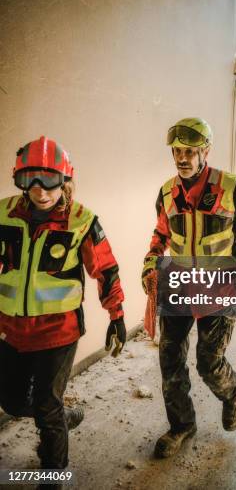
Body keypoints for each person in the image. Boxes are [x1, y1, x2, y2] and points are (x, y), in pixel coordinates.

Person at [142, 117, 236, 458]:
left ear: (206, 151)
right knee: (170, 362)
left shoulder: (232, 189)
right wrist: (150, 262)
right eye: (178, 151)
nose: (183, 158)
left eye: (190, 151)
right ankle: (182, 426)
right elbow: (161, 234)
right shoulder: (166, 192)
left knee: (208, 363)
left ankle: (231, 392)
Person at [0, 136, 126, 480]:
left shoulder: (81, 220)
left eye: (50, 180)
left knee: (45, 402)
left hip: (58, 332)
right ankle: (58, 417)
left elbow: (106, 268)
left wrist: (117, 315)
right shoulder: (4, 213)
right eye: (30, 180)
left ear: (65, 180)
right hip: (11, 329)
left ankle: (54, 474)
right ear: (19, 179)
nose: (40, 191)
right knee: (10, 402)